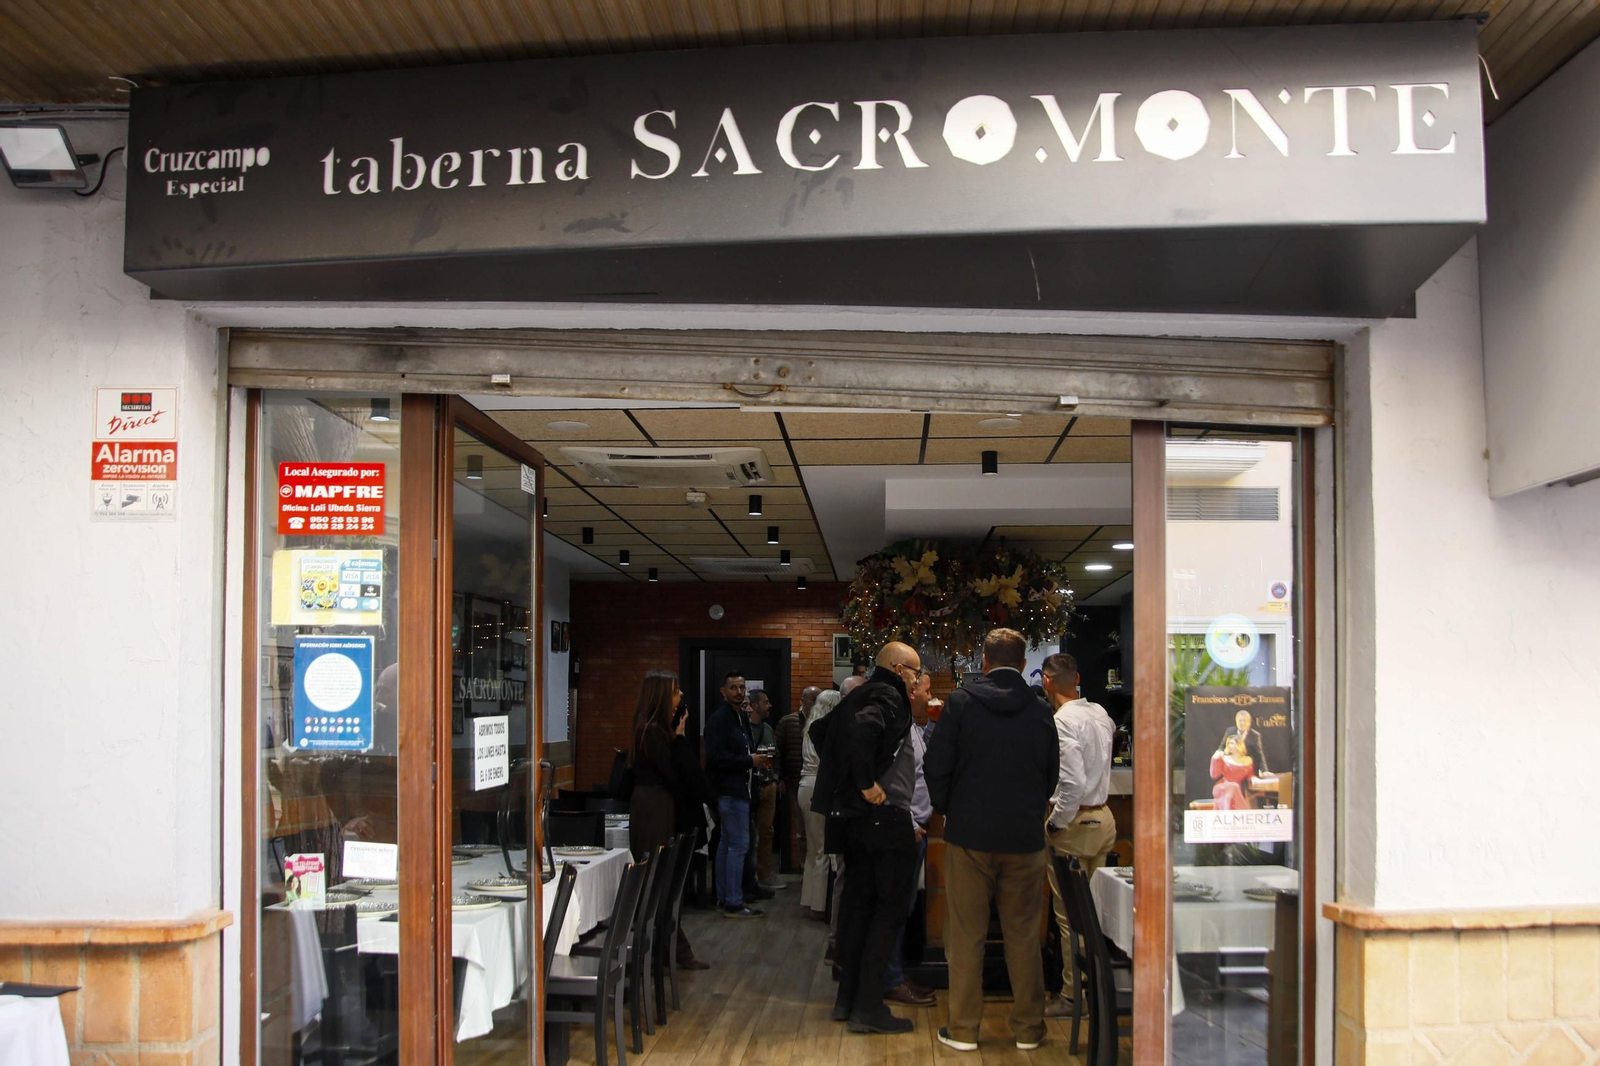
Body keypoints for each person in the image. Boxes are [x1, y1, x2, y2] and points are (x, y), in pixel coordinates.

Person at [924, 629, 1059, 1054]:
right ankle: (1029, 1029)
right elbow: (1051, 772)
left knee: (965, 935)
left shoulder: (962, 703)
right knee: (1023, 934)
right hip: (1023, 836)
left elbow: (936, 764)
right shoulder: (1039, 708)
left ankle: (963, 1028)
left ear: (983, 660)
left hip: (970, 834)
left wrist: (949, 810)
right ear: (1022, 664)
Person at [811, 641, 923, 1036]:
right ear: (897, 668)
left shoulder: (858, 693)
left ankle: (847, 1000)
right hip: (882, 819)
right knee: (887, 913)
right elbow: (862, 732)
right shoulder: (887, 693)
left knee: (858, 909)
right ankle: (869, 1007)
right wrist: (865, 782)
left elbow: (819, 730)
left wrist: (848, 780)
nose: (917, 680)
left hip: (853, 822)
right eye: (915, 672)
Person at [1038, 652, 1117, 1019]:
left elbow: (1071, 784)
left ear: (1047, 682)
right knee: (1099, 913)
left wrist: (1054, 824)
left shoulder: (1061, 722)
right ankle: (1100, 991)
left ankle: (1072, 998)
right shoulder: (1100, 714)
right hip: (1104, 820)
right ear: (1079, 678)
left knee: (1071, 916)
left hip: (1075, 824)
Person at [883, 667, 937, 1009]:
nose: (931, 698)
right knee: (895, 909)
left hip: (916, 827)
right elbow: (885, 783)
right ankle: (890, 979)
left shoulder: (913, 726)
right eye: (927, 691)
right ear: (912, 690)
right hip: (905, 829)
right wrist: (906, 823)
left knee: (906, 909)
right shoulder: (897, 727)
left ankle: (897, 973)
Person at [703, 672, 772, 918]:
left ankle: (723, 897)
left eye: (742, 687)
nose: (739, 692)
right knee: (739, 845)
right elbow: (715, 757)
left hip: (742, 789)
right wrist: (749, 761)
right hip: (729, 790)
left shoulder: (740, 717)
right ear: (723, 691)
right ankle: (733, 901)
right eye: (733, 688)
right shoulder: (719, 720)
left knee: (727, 844)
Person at [627, 670, 681, 862]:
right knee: (654, 856)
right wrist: (679, 739)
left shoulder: (653, 728)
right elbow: (670, 771)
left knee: (660, 853)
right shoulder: (651, 730)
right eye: (675, 691)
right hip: (653, 801)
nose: (680, 695)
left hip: (654, 798)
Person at [797, 689, 841, 919]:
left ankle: (808, 899)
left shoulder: (809, 727)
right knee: (825, 849)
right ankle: (820, 906)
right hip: (818, 786)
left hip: (804, 785)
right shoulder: (827, 731)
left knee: (813, 850)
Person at [775, 686, 816, 872]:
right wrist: (779, 776)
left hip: (816, 781)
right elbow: (777, 750)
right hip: (794, 780)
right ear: (803, 700)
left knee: (816, 831)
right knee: (801, 830)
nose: (815, 703)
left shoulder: (821, 722)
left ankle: (815, 871)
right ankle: (804, 868)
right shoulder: (788, 721)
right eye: (812, 699)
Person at [747, 690, 783, 891]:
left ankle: (765, 874)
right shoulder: (744, 729)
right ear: (753, 706)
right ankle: (749, 876)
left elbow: (776, 755)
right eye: (765, 702)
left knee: (767, 832)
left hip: (768, 786)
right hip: (750, 788)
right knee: (748, 835)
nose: (769, 705)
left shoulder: (768, 728)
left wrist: (776, 778)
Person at [1211, 734, 1255, 809]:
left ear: (1239, 744)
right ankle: (1227, 813)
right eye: (1227, 743)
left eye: (1231, 743)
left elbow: (1250, 775)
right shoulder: (1224, 758)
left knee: (1234, 787)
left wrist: (1254, 779)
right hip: (1222, 787)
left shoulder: (1248, 760)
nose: (1228, 745)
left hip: (1237, 790)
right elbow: (1214, 775)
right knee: (1233, 786)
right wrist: (1214, 759)